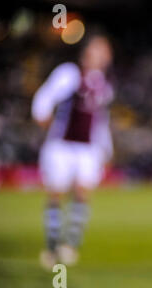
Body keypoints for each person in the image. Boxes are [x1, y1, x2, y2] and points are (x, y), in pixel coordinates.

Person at [31, 35, 114, 270]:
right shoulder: (69, 73)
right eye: (101, 49)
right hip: (62, 145)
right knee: (56, 193)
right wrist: (43, 116)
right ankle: (52, 244)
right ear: (88, 51)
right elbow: (45, 97)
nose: (106, 54)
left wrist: (107, 149)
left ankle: (71, 244)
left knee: (82, 193)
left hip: (88, 148)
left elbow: (100, 121)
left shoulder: (104, 84)